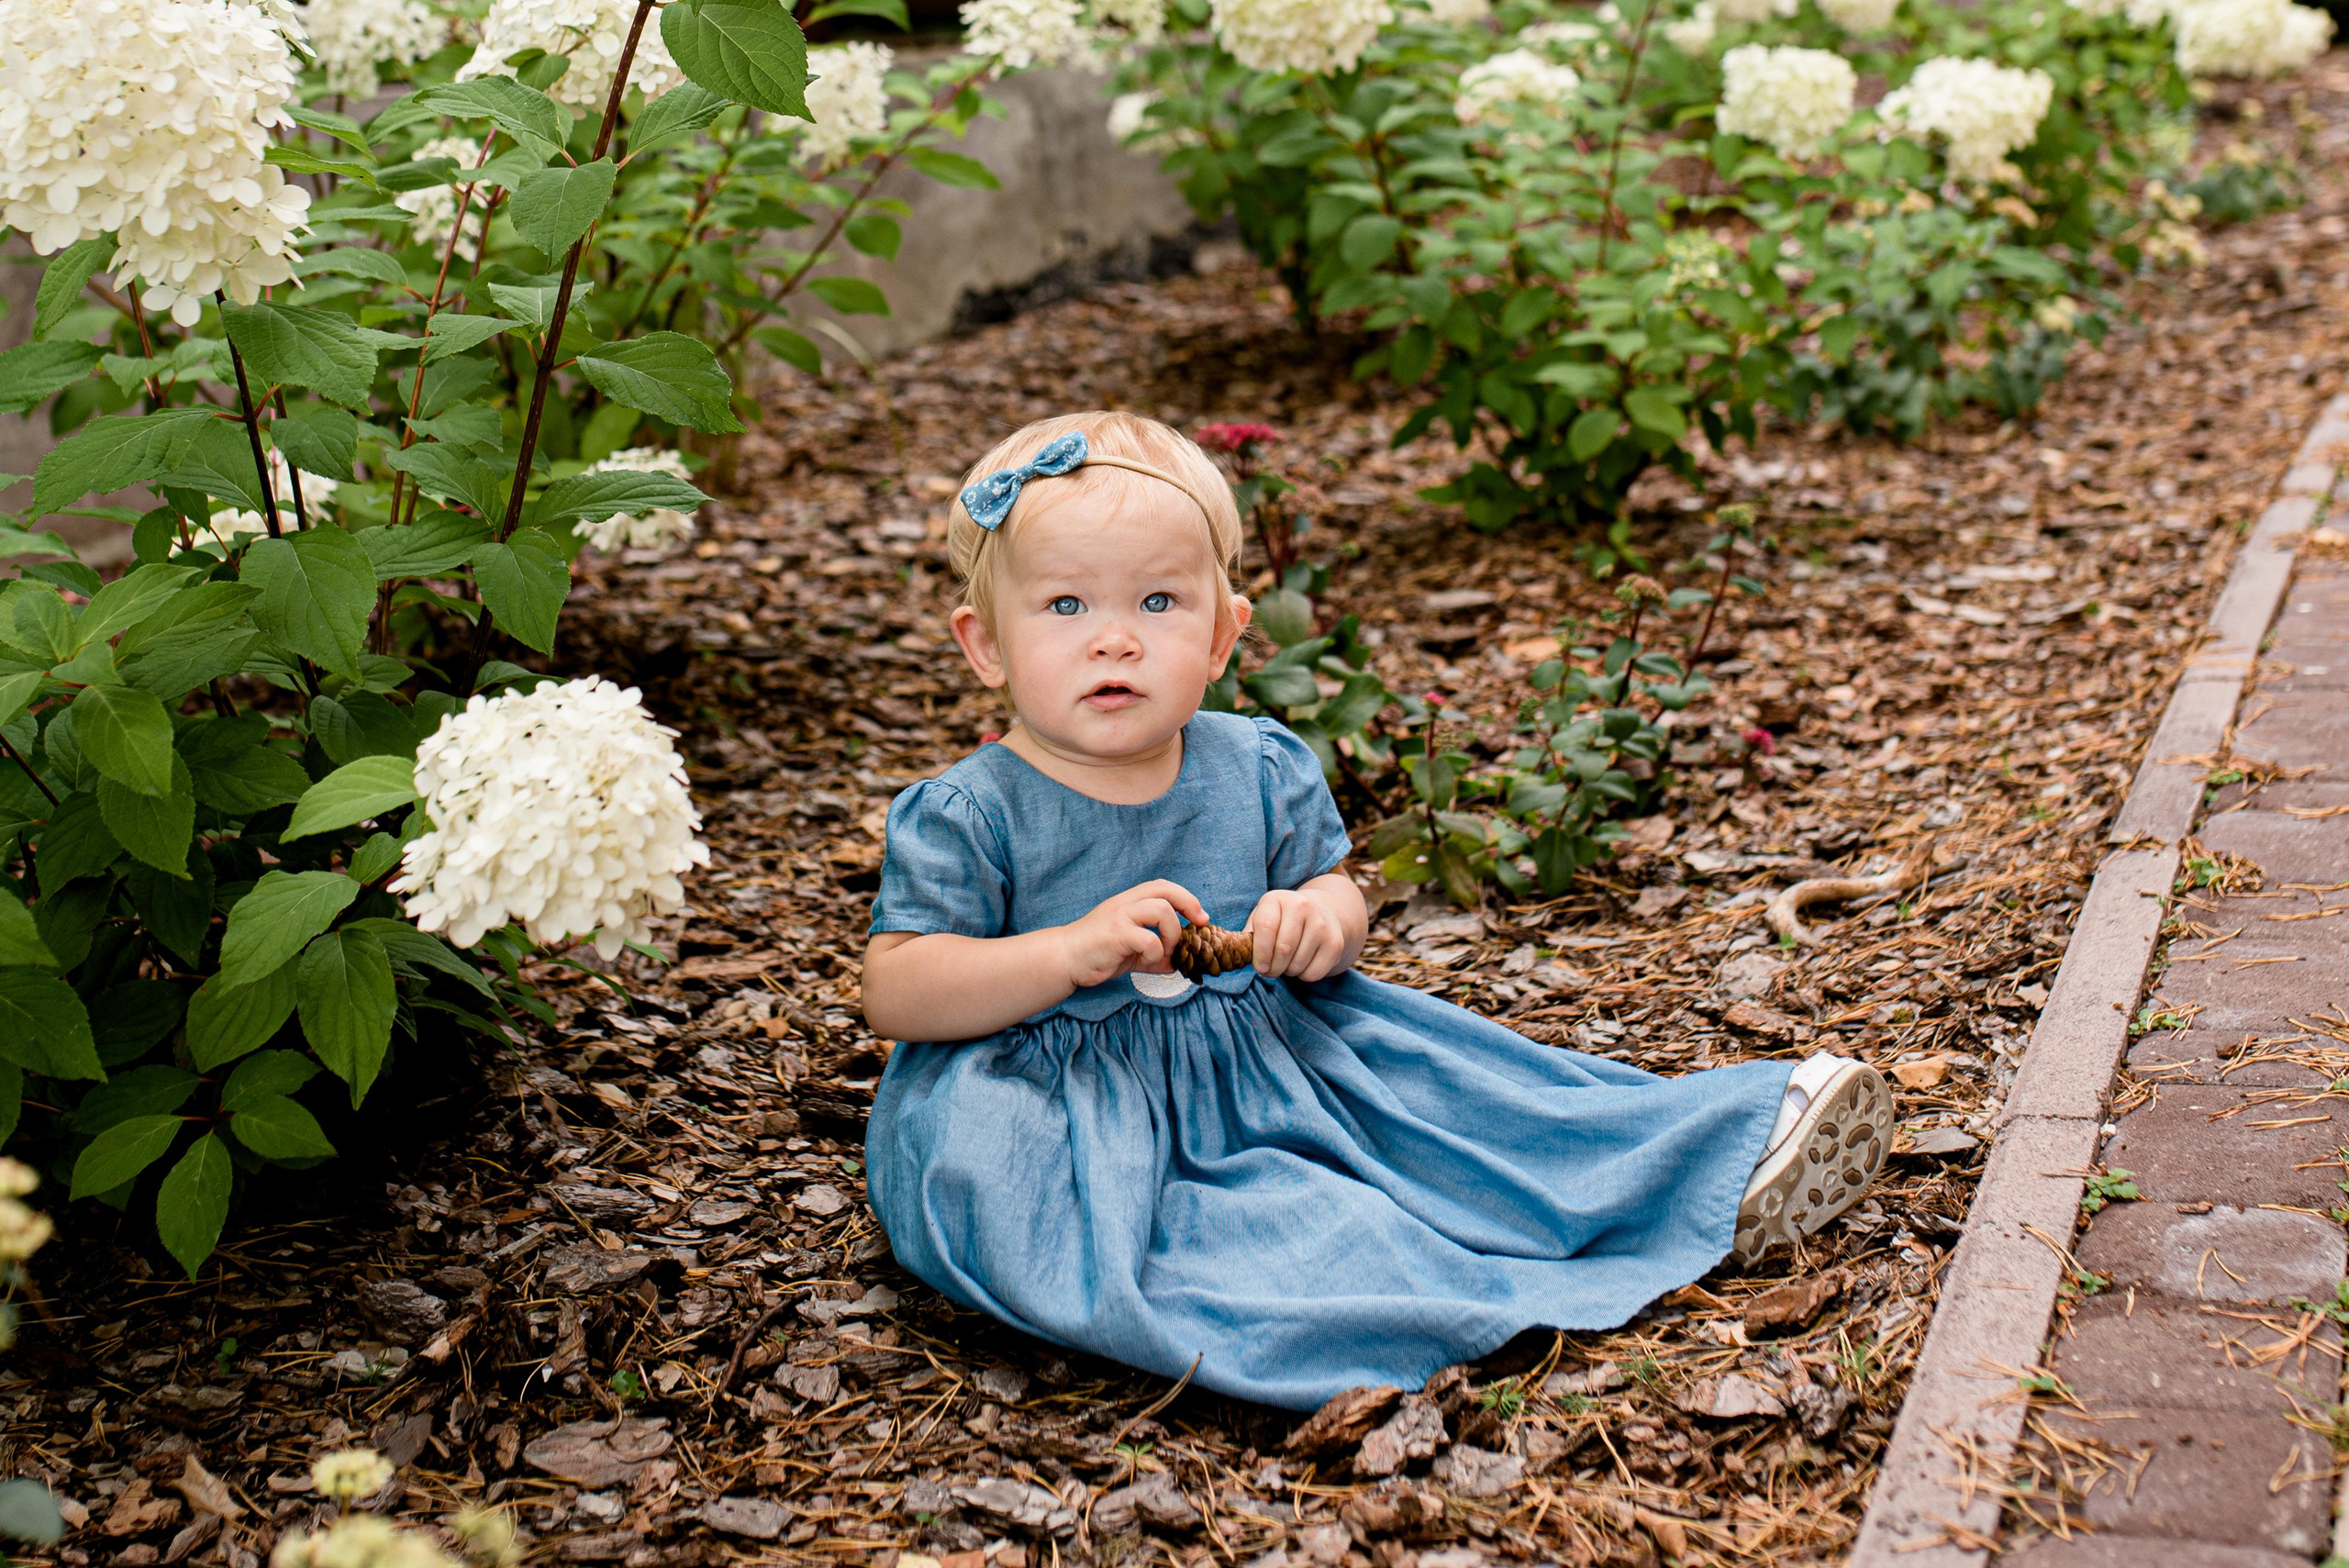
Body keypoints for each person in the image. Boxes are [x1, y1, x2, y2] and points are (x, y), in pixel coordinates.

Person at [859, 409, 1890, 1412]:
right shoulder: (970, 811)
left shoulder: (1255, 763)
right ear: (985, 643)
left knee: (1481, 1117)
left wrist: (1319, 918)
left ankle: (1721, 1157)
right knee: (1242, 1222)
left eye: (1160, 603)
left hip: (1278, 1060)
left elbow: (1333, 885)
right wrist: (1061, 952)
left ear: (1224, 633)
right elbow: (899, 989)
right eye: (1065, 606)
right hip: (1061, 1105)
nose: (1114, 641)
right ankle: (1405, 1300)